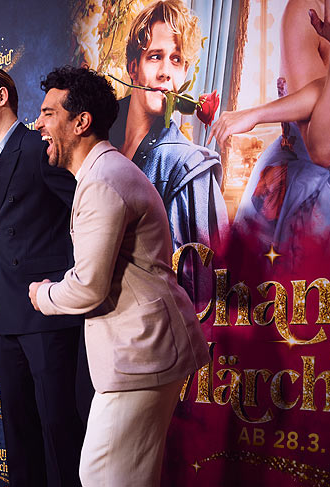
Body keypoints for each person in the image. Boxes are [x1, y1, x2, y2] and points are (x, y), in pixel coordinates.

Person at [29, 66, 210, 487]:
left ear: (81, 122)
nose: (38, 123)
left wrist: (43, 295)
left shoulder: (103, 180)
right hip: (143, 352)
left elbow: (89, 288)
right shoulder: (103, 174)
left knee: (104, 476)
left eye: (48, 113)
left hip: (142, 354)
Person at [0, 67, 87, 487]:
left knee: (58, 428)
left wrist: (69, 280)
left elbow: (83, 210)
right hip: (7, 316)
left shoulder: (37, 145)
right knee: (16, 429)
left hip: (48, 312)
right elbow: (5, 234)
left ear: (1, 96)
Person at [108, 0, 228, 304]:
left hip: (153, 333)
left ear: (185, 72)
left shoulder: (188, 169)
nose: (165, 72)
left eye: (176, 60)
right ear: (133, 66)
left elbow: (206, 286)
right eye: (155, 57)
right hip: (89, 326)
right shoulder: (97, 136)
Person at [209, 0, 330, 257]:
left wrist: (257, 113)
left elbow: (321, 91)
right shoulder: (309, 11)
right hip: (314, 195)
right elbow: (322, 149)